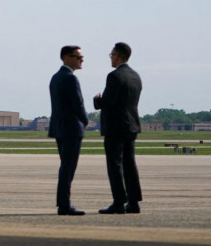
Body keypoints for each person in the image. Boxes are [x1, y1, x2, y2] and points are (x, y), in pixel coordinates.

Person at [93, 42, 143, 214]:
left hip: (116, 127)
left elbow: (109, 101)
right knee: (130, 165)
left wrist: (97, 100)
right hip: (132, 126)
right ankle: (134, 202)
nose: (111, 58)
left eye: (112, 55)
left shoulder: (114, 76)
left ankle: (119, 202)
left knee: (115, 165)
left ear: (119, 56)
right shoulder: (136, 76)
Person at [49, 45, 90, 215]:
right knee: (68, 168)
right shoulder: (70, 78)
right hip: (71, 129)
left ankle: (63, 203)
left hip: (60, 128)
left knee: (65, 166)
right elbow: (77, 103)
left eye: (81, 57)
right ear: (66, 57)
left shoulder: (56, 77)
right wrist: (86, 120)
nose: (81, 60)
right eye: (77, 57)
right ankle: (64, 205)